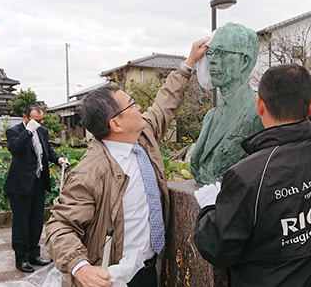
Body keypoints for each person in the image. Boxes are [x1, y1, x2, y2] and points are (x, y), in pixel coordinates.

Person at [45, 38, 208, 287]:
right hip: (114, 278)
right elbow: (60, 226)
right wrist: (81, 267)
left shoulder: (142, 139)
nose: (140, 106)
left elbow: (163, 105)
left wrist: (188, 64)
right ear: (116, 124)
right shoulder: (91, 172)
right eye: (132, 104)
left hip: (148, 269)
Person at [194, 64, 311, 286]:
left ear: (259, 105)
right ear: (310, 106)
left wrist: (209, 208)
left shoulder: (247, 176)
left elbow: (216, 248)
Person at [190, 22, 263, 184]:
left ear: (244, 61)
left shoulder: (260, 111)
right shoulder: (210, 116)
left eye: (221, 53)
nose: (212, 61)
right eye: (211, 52)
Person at [4, 105, 69, 273]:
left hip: (38, 183)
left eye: (40, 121)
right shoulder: (14, 131)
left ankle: (34, 254)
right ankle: (22, 259)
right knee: (21, 224)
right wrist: (28, 131)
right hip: (20, 186)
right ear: (25, 117)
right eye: (35, 120)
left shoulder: (42, 131)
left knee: (36, 222)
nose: (38, 124)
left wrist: (58, 160)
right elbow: (14, 148)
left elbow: (47, 151)